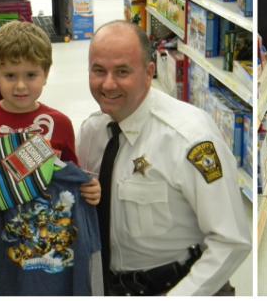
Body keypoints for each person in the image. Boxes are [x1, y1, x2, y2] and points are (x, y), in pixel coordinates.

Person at [76, 20, 251, 296]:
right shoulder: (92, 133)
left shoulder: (190, 139)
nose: (108, 84)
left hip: (183, 287)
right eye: (99, 71)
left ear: (149, 72)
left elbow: (231, 241)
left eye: (122, 71)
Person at [0, 20, 101, 295]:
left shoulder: (60, 124)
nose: (20, 86)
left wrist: (90, 189)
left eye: (31, 75)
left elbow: (72, 176)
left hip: (45, 243)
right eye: (10, 75)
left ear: (46, 74)